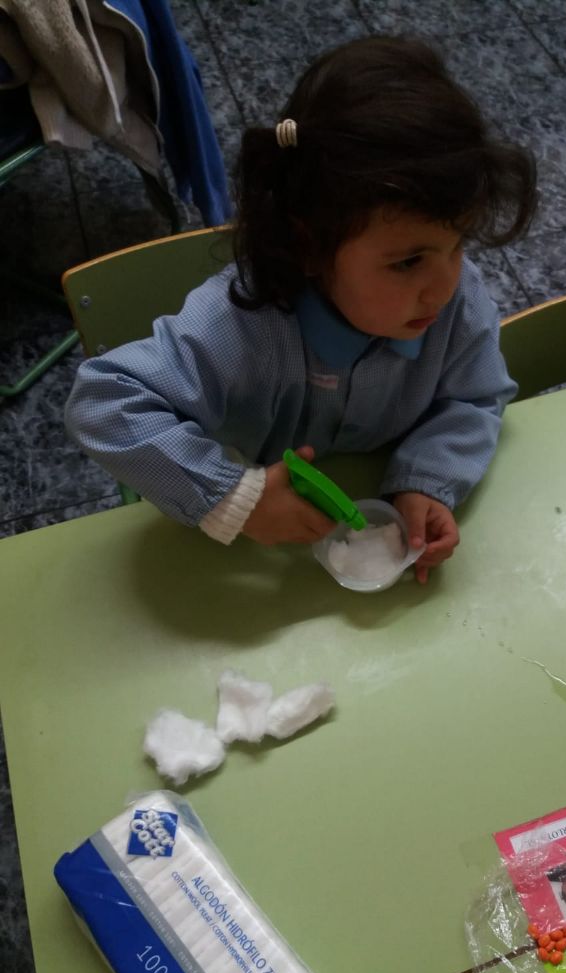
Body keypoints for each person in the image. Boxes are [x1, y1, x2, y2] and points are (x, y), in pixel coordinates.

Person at [65, 35, 536, 583]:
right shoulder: (240, 325)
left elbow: (476, 397)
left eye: (458, 246)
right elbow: (103, 402)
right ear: (309, 247)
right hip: (249, 553)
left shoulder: (456, 304)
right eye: (408, 262)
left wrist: (426, 481)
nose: (443, 288)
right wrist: (234, 498)